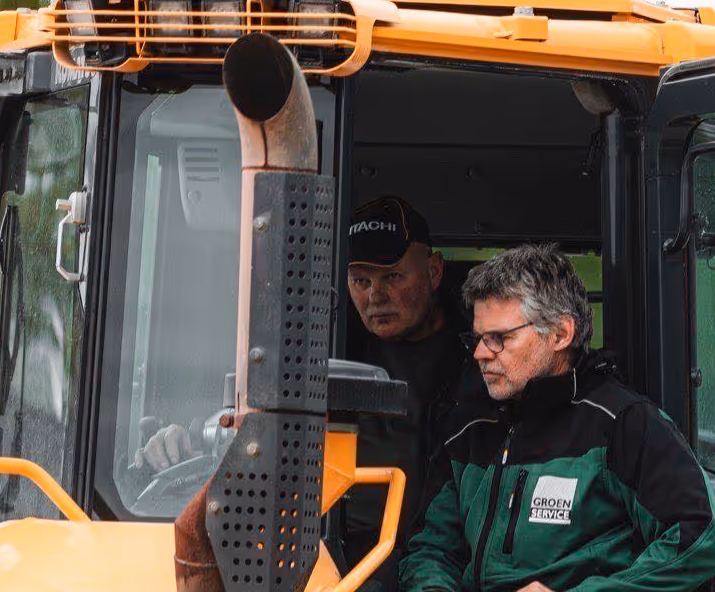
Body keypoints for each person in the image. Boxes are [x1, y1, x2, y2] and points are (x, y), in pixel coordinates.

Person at [370, 244, 715, 592]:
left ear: (559, 335)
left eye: (499, 339)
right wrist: (432, 591)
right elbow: (432, 542)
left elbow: (697, 539)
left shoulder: (622, 423)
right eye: (476, 339)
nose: (480, 354)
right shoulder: (473, 432)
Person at [131, 195, 468, 569]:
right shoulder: (317, 344)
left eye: (392, 276)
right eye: (361, 280)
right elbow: (258, 421)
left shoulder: (483, 354)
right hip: (326, 552)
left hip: (439, 560)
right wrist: (192, 442)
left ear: (434, 271)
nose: (376, 296)